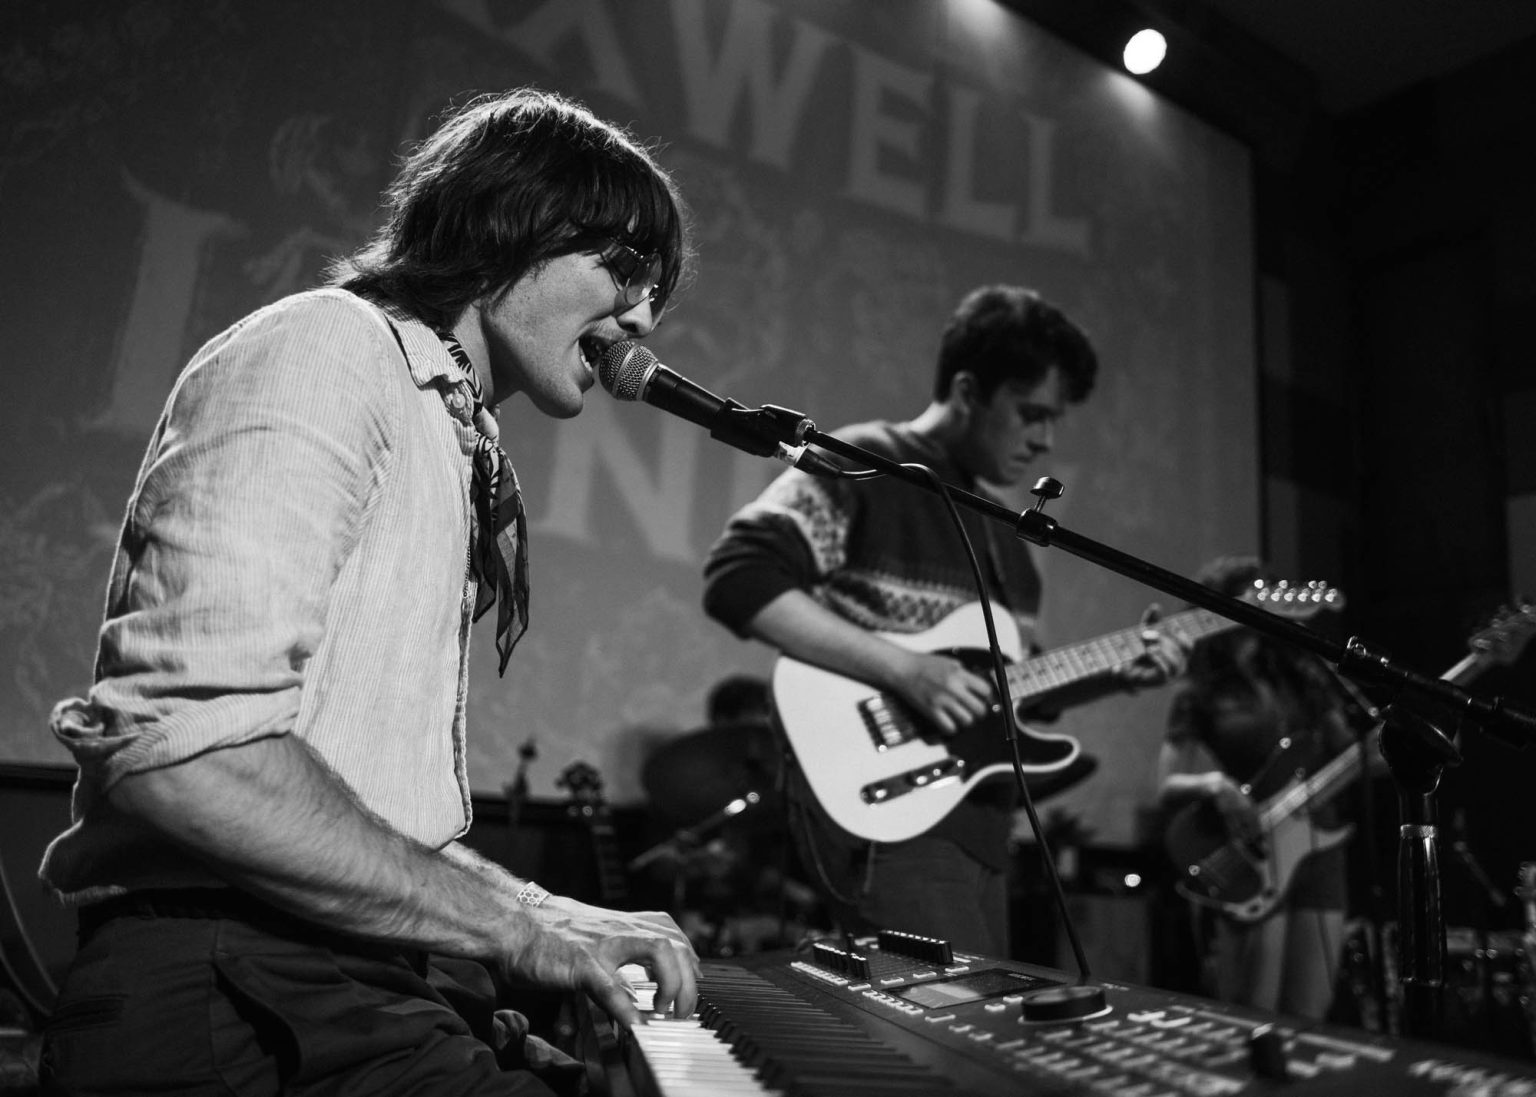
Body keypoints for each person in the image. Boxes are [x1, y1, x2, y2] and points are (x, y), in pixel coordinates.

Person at [36, 87, 700, 1096]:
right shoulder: (328, 348)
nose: (644, 315)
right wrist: (515, 926)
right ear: (502, 228)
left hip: (323, 980)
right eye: (621, 268)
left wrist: (548, 910)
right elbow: (190, 756)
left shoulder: (442, 420)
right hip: (236, 1001)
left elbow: (360, 811)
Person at [700, 284, 1186, 958]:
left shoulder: (1011, 540)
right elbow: (738, 578)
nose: (1045, 440)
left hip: (984, 826)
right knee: (947, 1035)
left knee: (977, 1031)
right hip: (889, 816)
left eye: (1055, 421)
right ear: (967, 389)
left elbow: (1002, 694)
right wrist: (908, 670)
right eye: (1031, 414)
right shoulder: (866, 460)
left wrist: (1110, 677)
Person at [1156, 555, 1359, 1019]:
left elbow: (1356, 755)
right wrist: (1213, 784)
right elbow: (1165, 786)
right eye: (1247, 593)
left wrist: (1413, 735)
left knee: (1312, 1016)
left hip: (1321, 844)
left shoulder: (1302, 674)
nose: (1260, 601)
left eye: (1266, 591)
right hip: (1252, 850)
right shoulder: (1200, 690)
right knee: (1255, 1015)